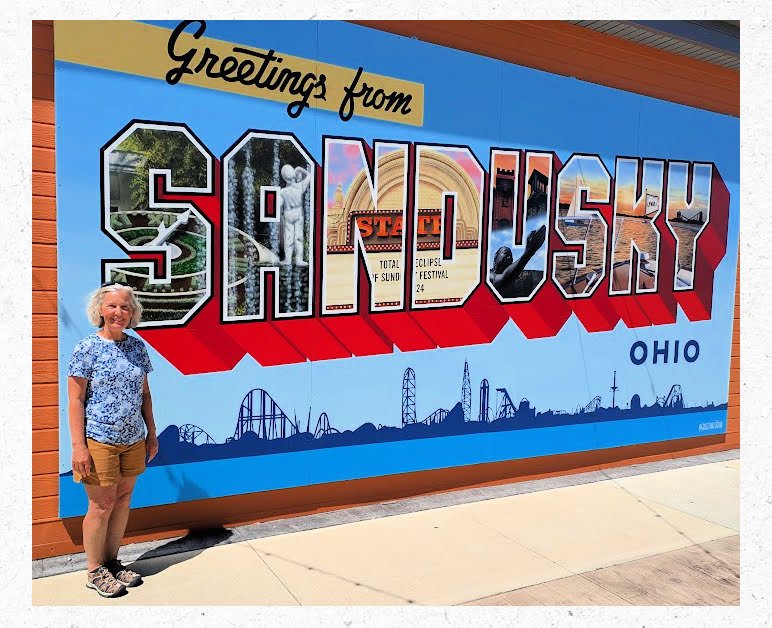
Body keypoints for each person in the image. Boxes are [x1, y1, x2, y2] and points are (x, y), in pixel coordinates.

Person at [67, 282, 158, 598]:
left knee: (122, 499)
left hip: (133, 438)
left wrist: (152, 434)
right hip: (99, 439)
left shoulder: (137, 347)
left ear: (132, 313)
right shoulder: (86, 348)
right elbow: (75, 400)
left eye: (125, 307)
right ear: (100, 310)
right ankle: (94, 570)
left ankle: (112, 562)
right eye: (112, 306)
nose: (119, 312)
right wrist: (78, 446)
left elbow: (144, 394)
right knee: (100, 504)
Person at [489, 224, 547, 298]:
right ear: (495, 257)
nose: (509, 257)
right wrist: (529, 251)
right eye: (506, 253)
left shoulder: (521, 277)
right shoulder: (489, 275)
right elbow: (504, 279)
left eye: (511, 256)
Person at [278, 164, 310, 266]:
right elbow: (309, 175)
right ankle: (299, 260)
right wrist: (300, 169)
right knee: (298, 237)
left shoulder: (282, 192)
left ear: (284, 177)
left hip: (288, 214)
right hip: (298, 213)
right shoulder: (300, 186)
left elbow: (278, 205)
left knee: (288, 237)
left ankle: (287, 259)